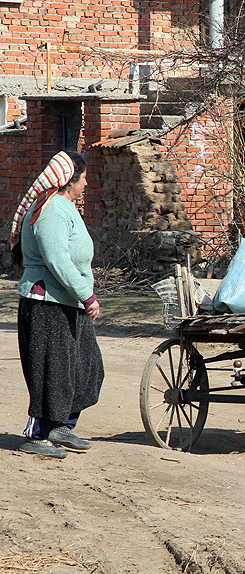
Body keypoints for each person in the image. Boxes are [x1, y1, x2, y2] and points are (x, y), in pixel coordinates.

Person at [10, 150, 105, 459]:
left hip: (66, 303)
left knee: (87, 368)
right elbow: (57, 259)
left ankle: (61, 425)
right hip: (47, 303)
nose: (87, 183)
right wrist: (87, 295)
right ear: (69, 182)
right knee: (50, 372)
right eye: (84, 178)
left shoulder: (64, 207)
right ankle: (37, 434)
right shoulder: (50, 211)